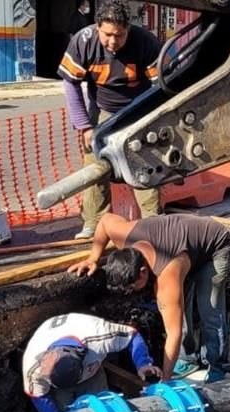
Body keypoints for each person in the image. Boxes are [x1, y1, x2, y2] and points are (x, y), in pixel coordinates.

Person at [68, 213, 230, 384]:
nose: (131, 292)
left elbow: (173, 333)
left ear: (143, 272)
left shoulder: (167, 277)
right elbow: (104, 221)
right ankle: (187, 359)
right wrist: (92, 258)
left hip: (214, 245)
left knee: (210, 309)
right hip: (185, 244)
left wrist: (166, 380)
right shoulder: (124, 235)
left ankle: (218, 367)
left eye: (132, 287)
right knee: (178, 310)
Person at [58, 0, 163, 240]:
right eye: (107, 35)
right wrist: (85, 126)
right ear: (97, 28)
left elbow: (160, 86)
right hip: (103, 111)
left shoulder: (146, 42)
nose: (113, 41)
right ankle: (95, 223)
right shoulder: (82, 42)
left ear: (128, 29)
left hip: (140, 109)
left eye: (120, 35)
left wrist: (149, 121)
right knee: (95, 165)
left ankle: (153, 223)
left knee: (144, 161)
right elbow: (71, 83)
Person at [23, 312, 162, 412]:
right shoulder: (33, 366)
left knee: (105, 411)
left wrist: (142, 363)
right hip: (60, 388)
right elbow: (39, 396)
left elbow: (132, 336)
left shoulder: (99, 336)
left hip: (93, 374)